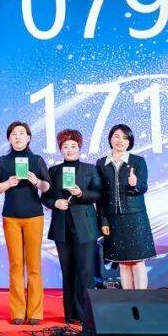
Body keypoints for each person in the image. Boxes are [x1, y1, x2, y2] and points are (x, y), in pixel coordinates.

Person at [0, 121, 50, 325]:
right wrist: (8, 183)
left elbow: (47, 186)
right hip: (11, 217)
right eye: (14, 134)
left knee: (34, 265)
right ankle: (17, 311)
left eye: (21, 133)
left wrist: (36, 181)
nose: (17, 137)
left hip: (34, 216)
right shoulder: (3, 161)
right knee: (16, 265)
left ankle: (35, 312)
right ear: (9, 138)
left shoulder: (36, 160)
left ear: (28, 138)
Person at [41, 129, 102, 324]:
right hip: (62, 226)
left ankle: (86, 315)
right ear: (60, 149)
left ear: (79, 147)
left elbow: (98, 194)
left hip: (85, 226)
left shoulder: (90, 169)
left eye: (73, 146)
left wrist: (80, 193)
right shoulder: (54, 171)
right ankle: (70, 314)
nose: (69, 149)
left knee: (85, 271)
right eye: (65, 146)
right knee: (68, 271)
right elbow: (45, 197)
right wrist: (55, 203)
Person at [97, 124, 156, 289]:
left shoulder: (138, 161)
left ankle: (141, 298)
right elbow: (100, 196)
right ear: (110, 139)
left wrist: (135, 183)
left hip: (135, 216)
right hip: (113, 219)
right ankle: (128, 298)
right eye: (116, 136)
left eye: (125, 138)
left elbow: (143, 187)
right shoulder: (101, 164)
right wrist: (103, 220)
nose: (120, 141)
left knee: (138, 261)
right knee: (122, 263)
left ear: (130, 141)